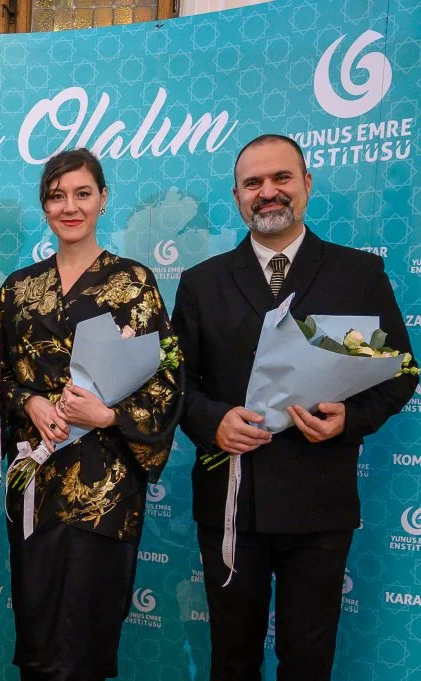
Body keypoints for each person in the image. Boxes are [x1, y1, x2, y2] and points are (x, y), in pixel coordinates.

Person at [171, 134, 417, 681]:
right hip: (232, 500)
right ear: (237, 196)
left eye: (281, 178)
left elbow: (400, 370)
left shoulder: (357, 275)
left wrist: (350, 419)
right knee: (232, 658)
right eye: (253, 183)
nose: (268, 192)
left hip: (319, 502)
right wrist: (213, 421)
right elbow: (175, 384)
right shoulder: (202, 283)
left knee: (308, 660)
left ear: (306, 183)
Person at [0, 148, 182, 681]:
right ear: (44, 206)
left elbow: (168, 379)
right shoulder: (17, 289)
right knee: (38, 642)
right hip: (36, 482)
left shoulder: (134, 282)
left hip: (107, 487)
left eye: (82, 194)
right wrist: (29, 401)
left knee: (86, 647)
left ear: (103, 199)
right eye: (57, 196)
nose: (70, 206)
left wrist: (108, 415)